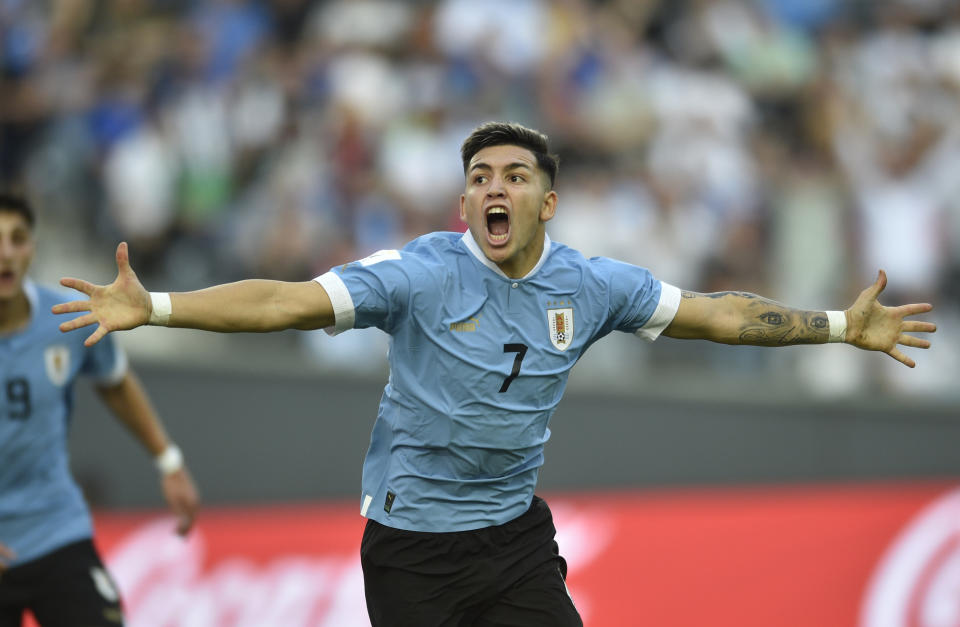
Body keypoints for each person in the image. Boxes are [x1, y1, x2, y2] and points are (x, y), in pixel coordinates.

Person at [53, 122, 935, 626]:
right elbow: (285, 303)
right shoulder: (421, 273)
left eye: (513, 175)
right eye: (479, 177)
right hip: (412, 553)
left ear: (547, 200)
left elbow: (720, 313)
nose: (493, 188)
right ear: (465, 202)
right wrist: (159, 306)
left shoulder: (591, 285)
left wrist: (833, 326)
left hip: (513, 542)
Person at [0, 192, 200, 627]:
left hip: (56, 529)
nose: (6, 254)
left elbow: (115, 383)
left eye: (17, 239)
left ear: (33, 247)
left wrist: (169, 461)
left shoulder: (65, 320)